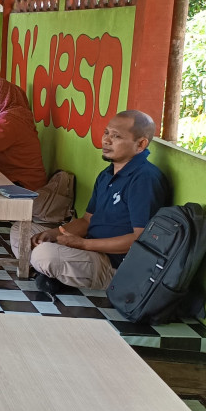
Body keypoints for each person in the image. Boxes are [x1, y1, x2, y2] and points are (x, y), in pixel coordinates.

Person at [29, 110, 171, 294]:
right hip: (89, 248)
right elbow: (87, 221)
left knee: (44, 254)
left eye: (116, 136)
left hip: (113, 263)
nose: (106, 140)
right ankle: (57, 273)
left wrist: (84, 245)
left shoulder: (144, 178)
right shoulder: (106, 175)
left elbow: (141, 239)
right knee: (23, 233)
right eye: (106, 133)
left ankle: (57, 273)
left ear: (141, 144)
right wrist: (53, 234)